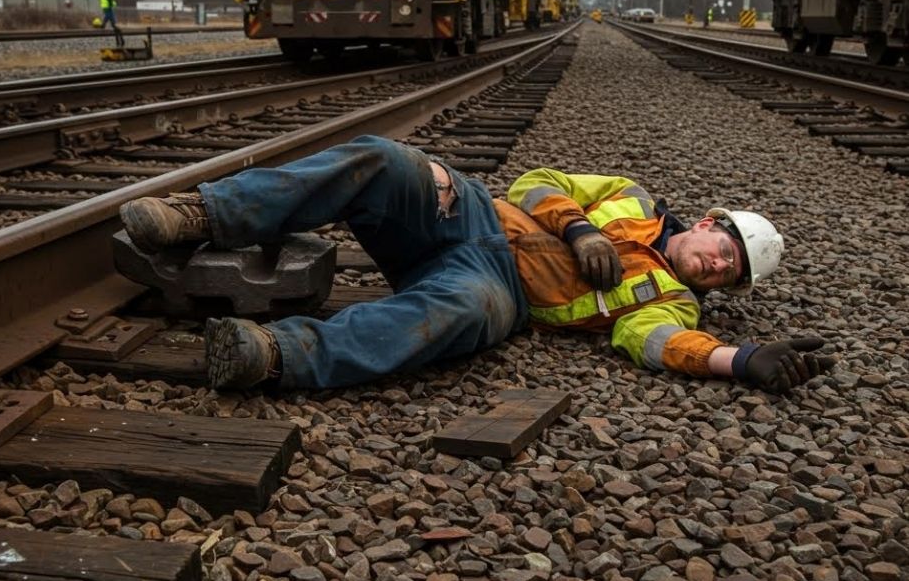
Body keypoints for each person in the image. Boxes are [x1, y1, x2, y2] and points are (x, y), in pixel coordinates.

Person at [118, 136, 835, 394]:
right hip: (472, 216)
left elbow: (654, 343)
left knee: (458, 315)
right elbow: (535, 183)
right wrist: (581, 228)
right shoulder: (632, 197)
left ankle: (276, 356)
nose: (716, 266)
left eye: (729, 274)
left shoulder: (671, 304)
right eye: (723, 249)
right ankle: (205, 215)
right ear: (708, 222)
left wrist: (739, 361)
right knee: (388, 160)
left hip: (498, 289)